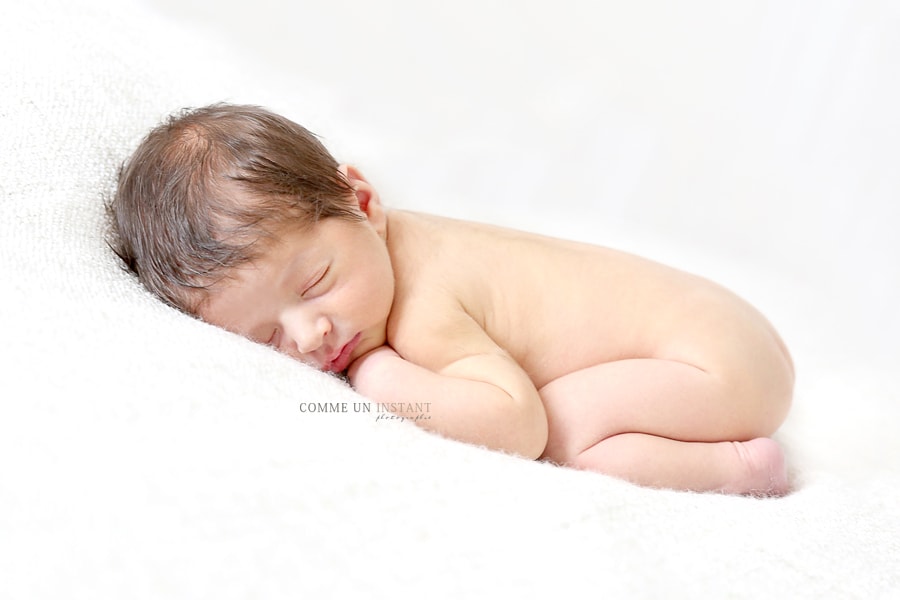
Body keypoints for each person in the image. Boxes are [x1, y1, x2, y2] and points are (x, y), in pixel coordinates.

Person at [109, 103, 794, 496]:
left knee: (565, 437)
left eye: (316, 282)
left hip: (718, 368)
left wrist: (380, 376)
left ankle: (738, 468)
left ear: (364, 202)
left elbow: (514, 427)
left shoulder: (422, 311)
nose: (312, 334)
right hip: (726, 328)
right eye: (265, 339)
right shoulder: (388, 246)